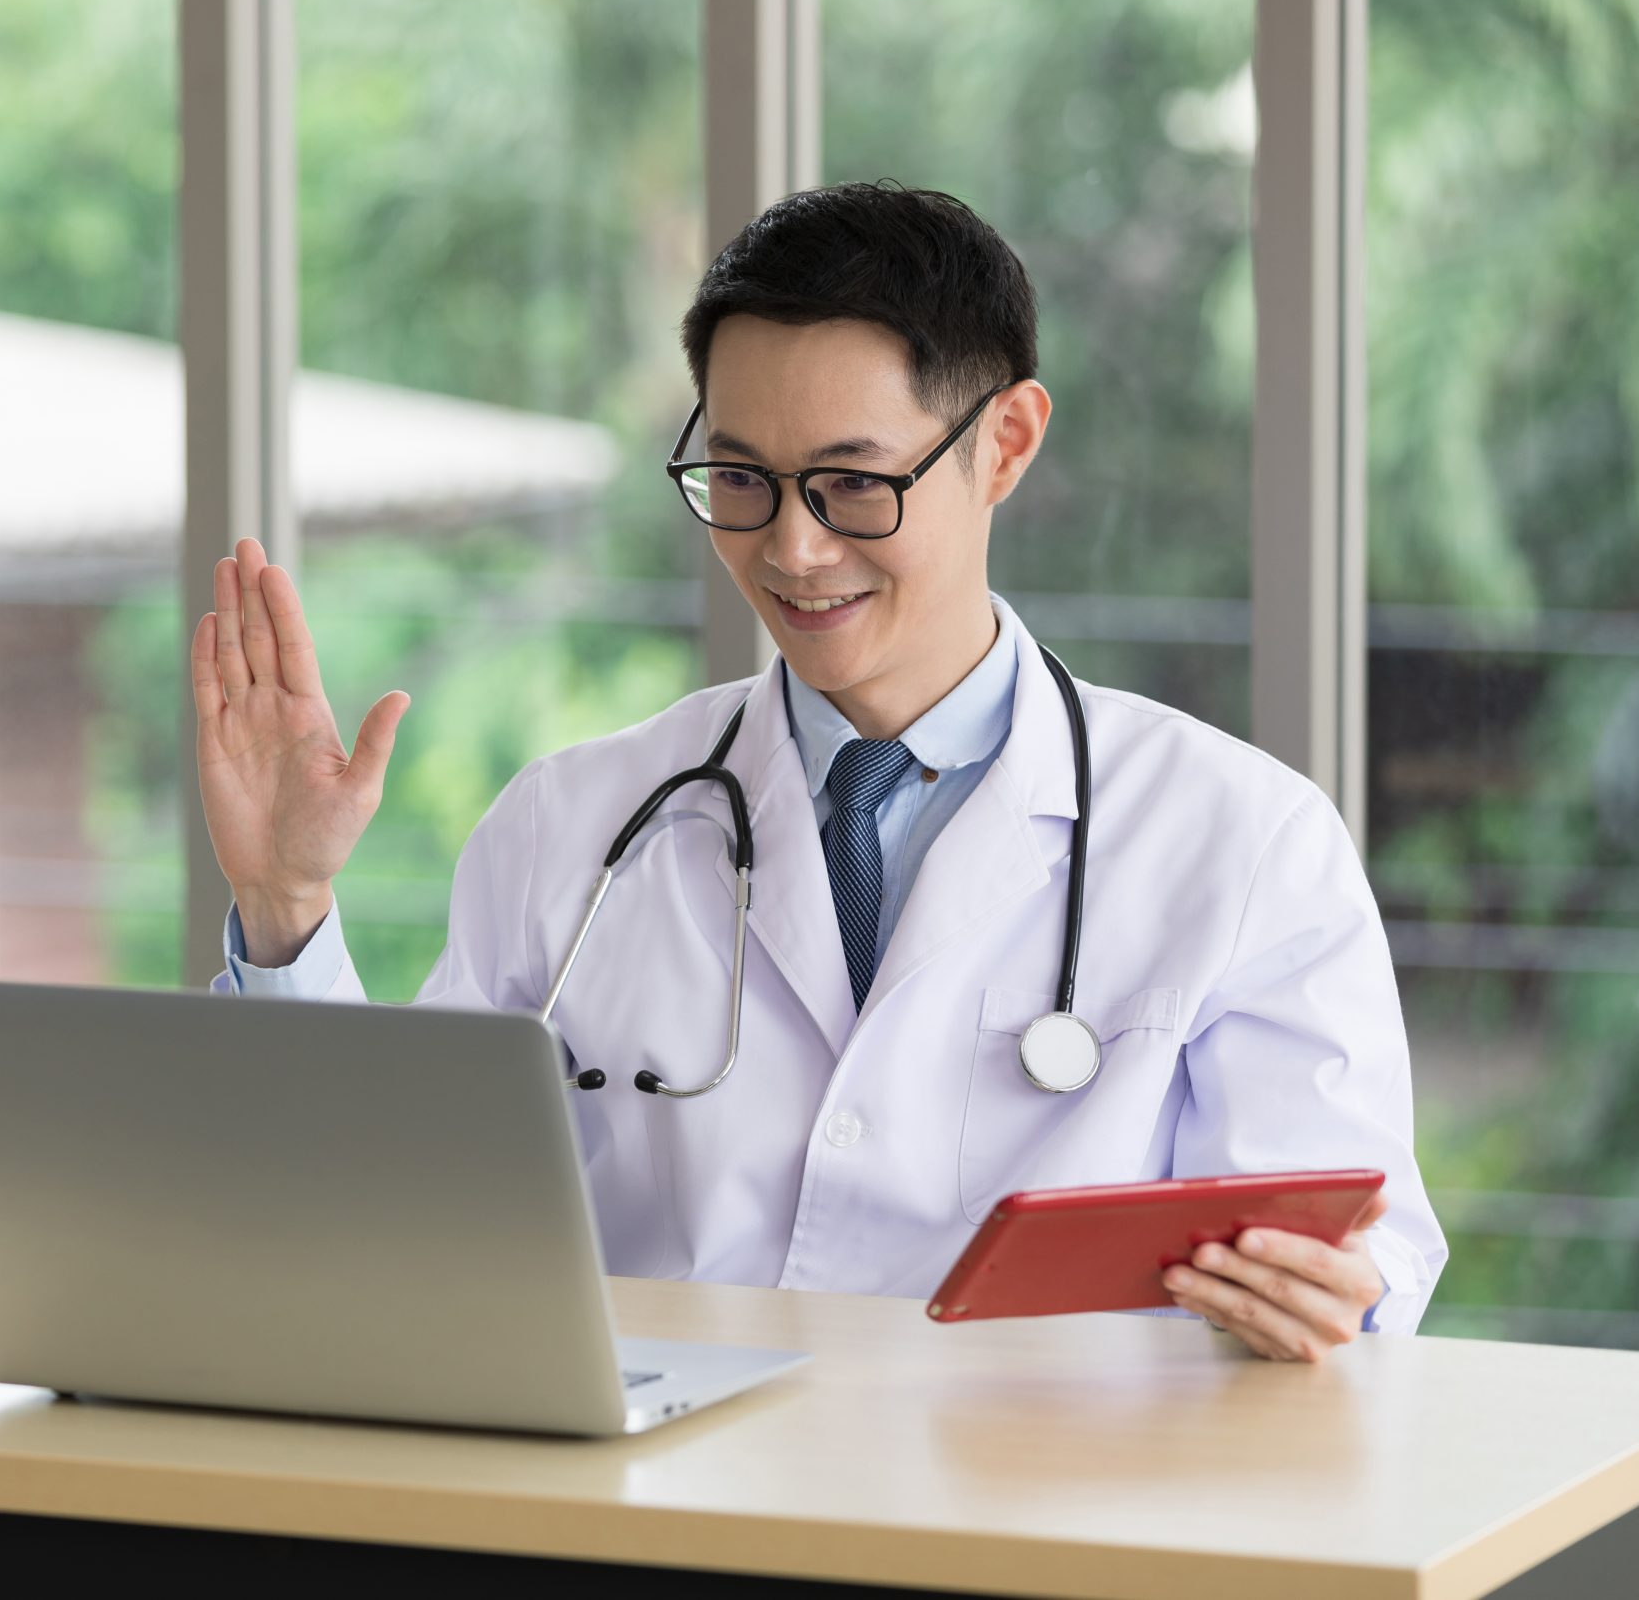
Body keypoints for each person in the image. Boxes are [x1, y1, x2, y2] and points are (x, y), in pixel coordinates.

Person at [188, 182, 1446, 1362]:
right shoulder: (572, 824)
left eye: (852, 484)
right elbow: (397, 1226)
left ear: (1003, 442)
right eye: (740, 479)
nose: (791, 548)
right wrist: (285, 908)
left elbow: (1357, 1237)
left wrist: (1337, 1293)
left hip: (1044, 1521)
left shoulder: (1238, 839)